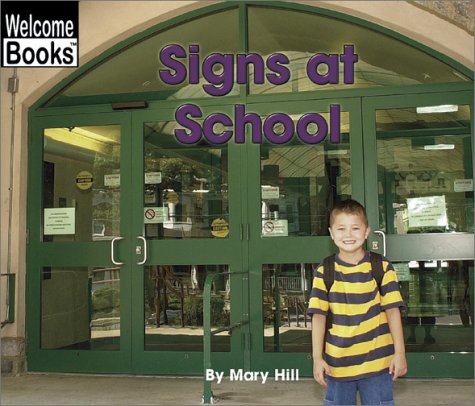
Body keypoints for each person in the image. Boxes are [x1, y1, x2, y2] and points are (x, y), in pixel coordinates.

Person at [307, 199, 407, 406]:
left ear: (366, 231)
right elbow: (318, 318)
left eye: (355, 228)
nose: (348, 235)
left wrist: (400, 353)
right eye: (341, 228)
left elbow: (393, 312)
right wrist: (317, 358)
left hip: (379, 363)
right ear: (332, 233)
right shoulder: (325, 271)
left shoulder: (382, 267)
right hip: (337, 364)